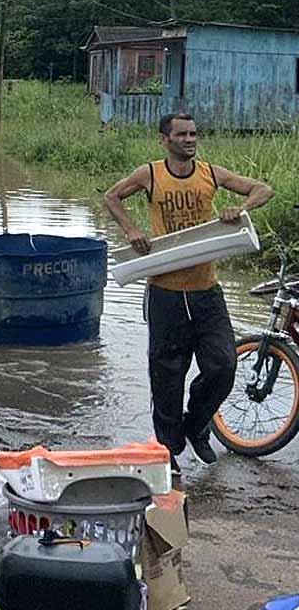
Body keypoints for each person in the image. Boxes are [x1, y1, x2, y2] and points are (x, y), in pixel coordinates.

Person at [103, 112, 273, 472]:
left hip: (206, 291)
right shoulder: (150, 174)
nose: (189, 139)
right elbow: (112, 197)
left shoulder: (211, 173)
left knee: (223, 365)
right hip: (164, 292)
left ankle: (196, 425)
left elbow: (262, 189)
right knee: (166, 376)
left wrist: (240, 208)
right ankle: (168, 452)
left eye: (194, 133)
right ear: (164, 140)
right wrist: (132, 229)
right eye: (181, 134)